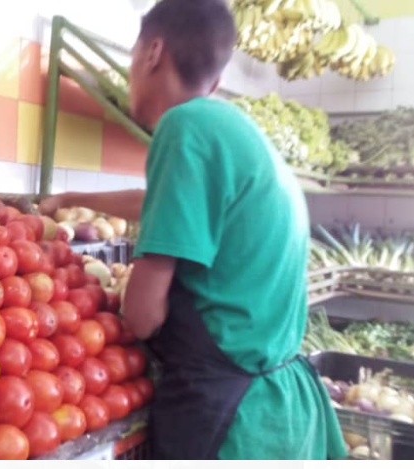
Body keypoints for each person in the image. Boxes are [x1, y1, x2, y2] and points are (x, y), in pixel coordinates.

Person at [40, 0, 347, 460]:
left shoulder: (184, 125)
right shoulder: (234, 130)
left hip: (229, 421)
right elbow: (164, 203)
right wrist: (72, 199)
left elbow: (143, 315)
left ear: (152, 52)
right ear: (217, 80)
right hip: (277, 410)